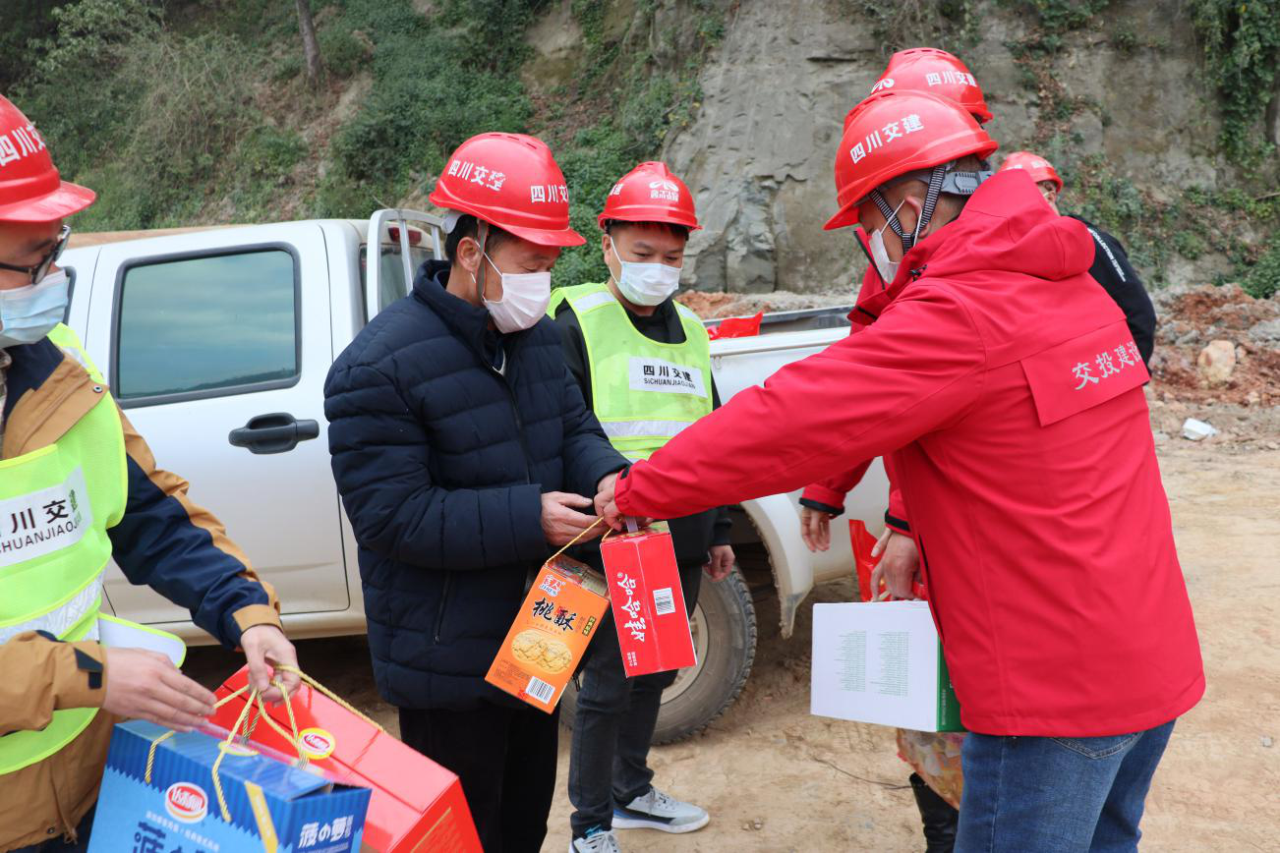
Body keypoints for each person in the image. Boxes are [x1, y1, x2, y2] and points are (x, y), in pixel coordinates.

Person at [597, 89, 1204, 851]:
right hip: (1148, 662)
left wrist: (639, 486)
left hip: (1054, 693)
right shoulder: (1069, 282)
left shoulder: (962, 312)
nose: (868, 244)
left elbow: (792, 416)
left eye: (864, 223)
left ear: (911, 204)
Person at [0, 94, 298, 853]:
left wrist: (246, 611)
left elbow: (150, 514)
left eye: (56, 249)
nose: (52, 278)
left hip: (92, 788)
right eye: (32, 262)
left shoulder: (54, 367)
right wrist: (90, 678)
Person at [324, 132, 628, 853]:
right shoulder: (378, 367)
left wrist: (607, 472)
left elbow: (573, 427)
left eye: (553, 265)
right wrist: (531, 517)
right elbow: (392, 517)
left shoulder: (535, 340)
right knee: (461, 837)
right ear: (472, 251)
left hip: (540, 637)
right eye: (532, 264)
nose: (544, 283)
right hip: (446, 660)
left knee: (524, 822)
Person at [799, 46, 996, 852]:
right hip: (925, 517)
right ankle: (944, 827)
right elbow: (862, 375)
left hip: (969, 528)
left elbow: (958, 421)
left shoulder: (996, 263)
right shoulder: (898, 268)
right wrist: (825, 482)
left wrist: (910, 525)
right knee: (925, 702)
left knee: (973, 704)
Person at [550, 162, 733, 853]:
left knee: (658, 665)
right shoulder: (577, 320)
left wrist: (717, 528)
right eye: (643, 253)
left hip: (681, 535)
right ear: (608, 245)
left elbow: (707, 432)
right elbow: (562, 426)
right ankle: (589, 825)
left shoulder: (690, 326)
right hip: (612, 537)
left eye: (671, 256)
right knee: (605, 682)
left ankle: (631, 790)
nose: (658, 268)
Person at [998, 151, 1157, 364]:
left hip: (1105, 373)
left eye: (1022, 196)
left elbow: (1138, 312)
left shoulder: (1091, 242)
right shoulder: (1023, 252)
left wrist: (1132, 374)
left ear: (1050, 195)